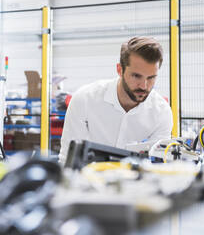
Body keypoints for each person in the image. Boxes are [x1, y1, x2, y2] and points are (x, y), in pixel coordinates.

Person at [59, 36, 173, 164]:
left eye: (151, 78)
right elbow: (68, 159)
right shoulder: (84, 100)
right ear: (120, 70)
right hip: (88, 181)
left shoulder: (161, 113)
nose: (144, 86)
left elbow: (158, 164)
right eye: (136, 76)